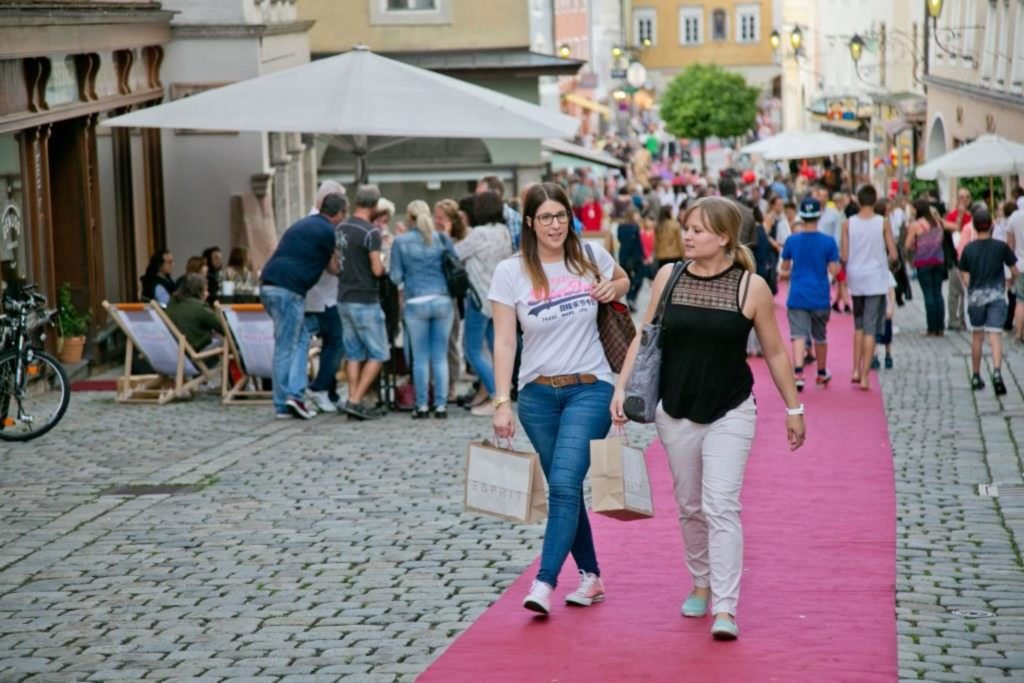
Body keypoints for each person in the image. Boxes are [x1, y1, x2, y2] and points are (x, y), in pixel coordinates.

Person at [610, 196, 806, 641]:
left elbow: (775, 351)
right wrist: (622, 388)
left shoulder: (750, 287)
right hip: (675, 410)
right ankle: (700, 580)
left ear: (723, 237)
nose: (688, 235)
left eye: (698, 229)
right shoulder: (668, 276)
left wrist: (794, 408)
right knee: (690, 506)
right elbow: (646, 337)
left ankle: (726, 606)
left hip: (731, 409)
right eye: (686, 227)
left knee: (721, 505)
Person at [490, 182, 630, 617]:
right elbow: (504, 342)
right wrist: (501, 401)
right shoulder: (510, 272)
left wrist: (614, 288)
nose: (555, 224)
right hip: (537, 399)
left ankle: (544, 582)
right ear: (529, 222)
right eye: (545, 217)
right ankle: (590, 575)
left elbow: (622, 278)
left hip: (591, 388)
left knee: (566, 484)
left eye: (561, 215)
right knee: (564, 488)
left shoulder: (589, 257)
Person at [260, 193, 344, 419]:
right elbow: (333, 267)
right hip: (290, 290)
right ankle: (289, 399)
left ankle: (286, 399)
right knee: (291, 344)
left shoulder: (302, 224)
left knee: (290, 342)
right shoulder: (328, 232)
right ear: (339, 214)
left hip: (268, 285)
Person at [390, 200, 456, 418]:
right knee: (439, 356)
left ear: (409, 218)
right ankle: (441, 405)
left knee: (420, 358)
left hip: (415, 302)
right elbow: (454, 265)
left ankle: (422, 405)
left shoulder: (400, 242)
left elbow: (396, 276)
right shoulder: (441, 239)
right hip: (442, 299)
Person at [455, 191, 514, 416]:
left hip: (479, 298)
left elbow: (455, 254)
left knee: (472, 351)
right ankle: (501, 393)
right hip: (499, 298)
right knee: (497, 350)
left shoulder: (478, 234)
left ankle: (496, 397)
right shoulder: (503, 232)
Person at [337, 185, 389, 421]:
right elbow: (377, 269)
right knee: (379, 353)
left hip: (344, 296)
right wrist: (385, 264)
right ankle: (355, 399)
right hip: (365, 299)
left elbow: (334, 263)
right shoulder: (371, 233)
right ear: (375, 205)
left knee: (354, 353)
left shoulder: (341, 227)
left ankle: (352, 399)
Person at [779, 197, 840, 391]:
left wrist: (792, 271)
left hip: (797, 293)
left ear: (801, 216)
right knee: (820, 335)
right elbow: (835, 269)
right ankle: (821, 373)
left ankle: (798, 373)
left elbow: (784, 267)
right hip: (820, 294)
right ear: (819, 215)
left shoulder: (792, 240)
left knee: (797, 334)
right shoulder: (828, 242)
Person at [841, 184, 898, 391]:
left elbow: (845, 255)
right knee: (871, 328)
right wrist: (890, 260)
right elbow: (893, 253)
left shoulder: (848, 224)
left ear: (858, 200)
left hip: (856, 278)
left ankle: (855, 369)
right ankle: (865, 377)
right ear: (875, 201)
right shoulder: (882, 222)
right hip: (875, 279)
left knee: (858, 325)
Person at [959, 208, 1019, 395]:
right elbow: (1014, 269)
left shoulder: (969, 249)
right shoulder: (1000, 247)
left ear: (975, 228)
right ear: (992, 226)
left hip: (976, 296)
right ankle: (996, 373)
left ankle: (976, 375)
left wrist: (971, 286)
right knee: (995, 335)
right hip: (996, 295)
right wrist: (1010, 282)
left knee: (977, 336)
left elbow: (964, 273)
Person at [304, 181, 348, 413]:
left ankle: (329, 392)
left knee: (331, 343)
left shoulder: (314, 222)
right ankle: (320, 387)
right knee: (336, 341)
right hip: (322, 296)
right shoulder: (323, 226)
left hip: (323, 294)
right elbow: (331, 265)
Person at [435, 198, 469, 402]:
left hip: (454, 297)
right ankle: (439, 386)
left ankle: (451, 386)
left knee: (451, 343)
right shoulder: (433, 235)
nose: (437, 221)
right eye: (435, 217)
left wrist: (446, 236)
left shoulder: (460, 238)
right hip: (440, 295)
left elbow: (454, 260)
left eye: (441, 217)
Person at [905, 199, 947, 336]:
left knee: (928, 294)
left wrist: (913, 246)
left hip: (924, 262)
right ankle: (940, 328)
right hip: (939, 260)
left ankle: (931, 328)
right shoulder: (938, 222)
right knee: (938, 294)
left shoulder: (916, 225)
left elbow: (907, 245)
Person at [165, 273, 224, 354]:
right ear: (198, 291)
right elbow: (223, 328)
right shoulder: (199, 307)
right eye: (206, 290)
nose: (208, 294)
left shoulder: (172, 303)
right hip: (196, 350)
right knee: (227, 342)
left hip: (176, 351)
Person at [944, 188, 974, 330]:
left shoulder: (973, 217)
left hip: (970, 260)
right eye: (961, 197)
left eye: (966, 197)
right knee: (955, 291)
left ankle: (964, 318)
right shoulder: (951, 215)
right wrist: (959, 217)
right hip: (955, 260)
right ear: (956, 199)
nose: (964, 200)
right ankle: (953, 319)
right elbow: (953, 230)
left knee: (966, 292)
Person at [476, 175, 521, 250]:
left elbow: (515, 250)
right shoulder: (480, 215)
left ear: (496, 193)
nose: (478, 199)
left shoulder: (511, 217)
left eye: (481, 194)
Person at [616, 207, 646, 310]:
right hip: (635, 257)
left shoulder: (620, 226)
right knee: (639, 278)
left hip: (623, 256)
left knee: (628, 279)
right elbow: (638, 243)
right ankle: (632, 298)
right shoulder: (635, 227)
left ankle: (630, 299)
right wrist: (643, 255)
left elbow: (619, 239)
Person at [717, 177, 758, 249]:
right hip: (742, 255)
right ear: (735, 191)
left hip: (720, 255)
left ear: (720, 192)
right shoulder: (748, 211)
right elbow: (754, 241)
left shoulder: (713, 211)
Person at [1008, 196, 1024, 343]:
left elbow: (1010, 246)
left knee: (1020, 300)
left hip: (1020, 265)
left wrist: (1010, 267)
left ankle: (1019, 333)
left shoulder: (1013, 218)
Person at [654, 205, 684, 269]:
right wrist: (684, 254)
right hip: (675, 254)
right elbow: (680, 242)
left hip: (661, 255)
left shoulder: (658, 225)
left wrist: (656, 254)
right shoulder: (675, 224)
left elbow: (656, 242)